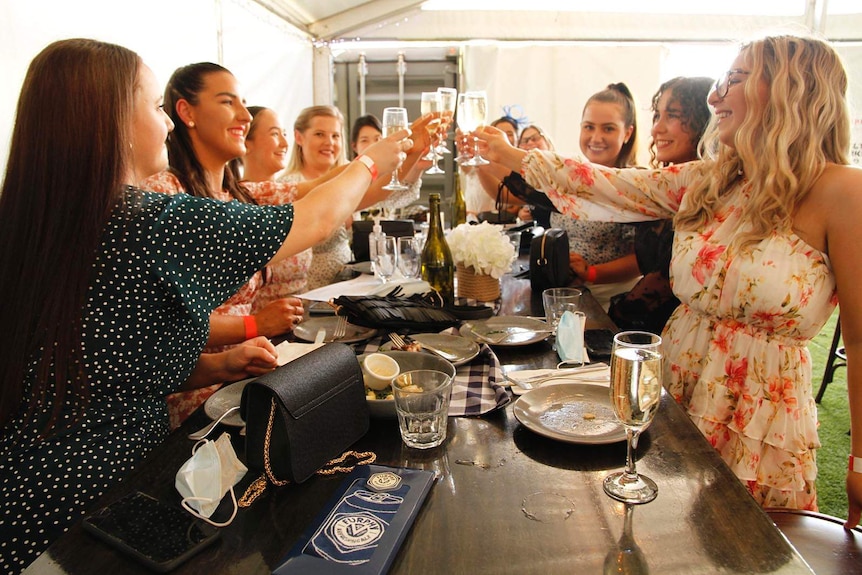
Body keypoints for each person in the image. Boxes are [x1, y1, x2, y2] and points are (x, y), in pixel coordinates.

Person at [0, 38, 408, 574]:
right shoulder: (144, 219)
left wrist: (220, 363)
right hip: (94, 503)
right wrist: (371, 163)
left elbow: (107, 360)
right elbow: (308, 220)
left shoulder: (39, 220)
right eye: (152, 106)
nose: (166, 122)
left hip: (27, 491)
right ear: (108, 118)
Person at [474, 35, 862, 517]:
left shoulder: (845, 193)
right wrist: (513, 156)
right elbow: (610, 184)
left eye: (734, 80)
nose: (715, 97)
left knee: (744, 543)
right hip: (677, 378)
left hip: (759, 408)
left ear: (790, 89)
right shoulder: (712, 179)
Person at [570, 77, 713, 334]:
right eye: (657, 116)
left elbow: (659, 281)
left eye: (672, 115)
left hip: (668, 332)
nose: (657, 129)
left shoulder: (706, 190)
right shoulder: (668, 187)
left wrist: (594, 277)